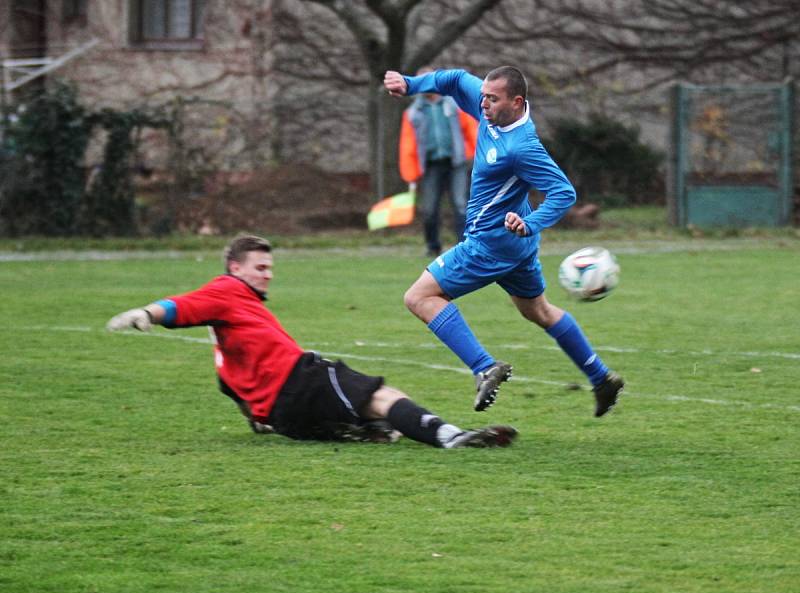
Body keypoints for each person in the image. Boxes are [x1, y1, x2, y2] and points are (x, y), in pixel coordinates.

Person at [106, 234, 517, 449]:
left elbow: (234, 391)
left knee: (363, 419)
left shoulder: (223, 353)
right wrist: (148, 314)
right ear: (235, 268)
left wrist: (258, 421)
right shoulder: (226, 290)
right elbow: (182, 305)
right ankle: (449, 436)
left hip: (284, 418)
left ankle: (362, 430)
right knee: (381, 395)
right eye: (260, 268)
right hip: (299, 378)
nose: (268, 275)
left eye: (270, 268)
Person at [384, 66, 624, 416]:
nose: (483, 104)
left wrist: (530, 223)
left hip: (490, 244)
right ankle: (601, 378)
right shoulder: (488, 104)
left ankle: (483, 366)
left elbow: (563, 192)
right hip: (515, 246)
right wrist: (411, 84)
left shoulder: (522, 147)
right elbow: (452, 79)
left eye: (492, 100)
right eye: (482, 96)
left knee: (419, 297)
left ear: (517, 102)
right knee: (538, 311)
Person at [399, 67, 477, 256]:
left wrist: (477, 154)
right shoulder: (413, 113)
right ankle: (433, 246)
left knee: (460, 204)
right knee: (429, 208)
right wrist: (411, 172)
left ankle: (464, 245)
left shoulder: (455, 105)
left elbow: (472, 129)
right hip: (431, 166)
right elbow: (407, 144)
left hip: (456, 162)